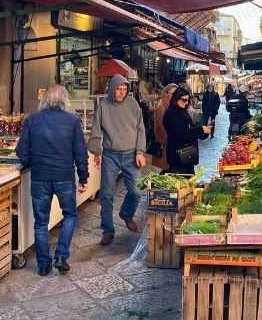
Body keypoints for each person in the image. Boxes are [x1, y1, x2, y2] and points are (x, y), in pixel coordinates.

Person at [16, 84, 88, 277]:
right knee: (70, 215)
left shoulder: (32, 120)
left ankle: (43, 265)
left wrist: (33, 162)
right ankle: (61, 256)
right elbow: (80, 153)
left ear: (44, 99)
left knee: (40, 222)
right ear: (65, 99)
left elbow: (21, 151)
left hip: (40, 177)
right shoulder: (72, 120)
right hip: (64, 176)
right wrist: (83, 177)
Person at [87, 74, 147, 246]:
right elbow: (96, 132)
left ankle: (126, 214)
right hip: (110, 155)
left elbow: (140, 130)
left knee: (136, 191)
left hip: (131, 155)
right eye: (118, 89)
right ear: (112, 88)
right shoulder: (103, 106)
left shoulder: (133, 104)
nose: (121, 92)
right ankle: (108, 230)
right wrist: (97, 152)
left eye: (124, 89)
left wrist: (140, 152)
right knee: (106, 194)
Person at [163, 86, 211, 174]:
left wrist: (204, 132)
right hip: (177, 156)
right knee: (181, 182)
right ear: (176, 99)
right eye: (184, 100)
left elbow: (191, 128)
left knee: (189, 181)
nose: (186, 103)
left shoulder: (183, 112)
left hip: (188, 155)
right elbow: (180, 133)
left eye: (188, 100)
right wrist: (200, 131)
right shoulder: (170, 113)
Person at [151, 83, 177, 171]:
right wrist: (167, 142)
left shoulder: (172, 106)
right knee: (165, 172)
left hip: (171, 146)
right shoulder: (161, 108)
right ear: (166, 93)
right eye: (173, 93)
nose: (175, 96)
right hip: (166, 147)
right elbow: (159, 128)